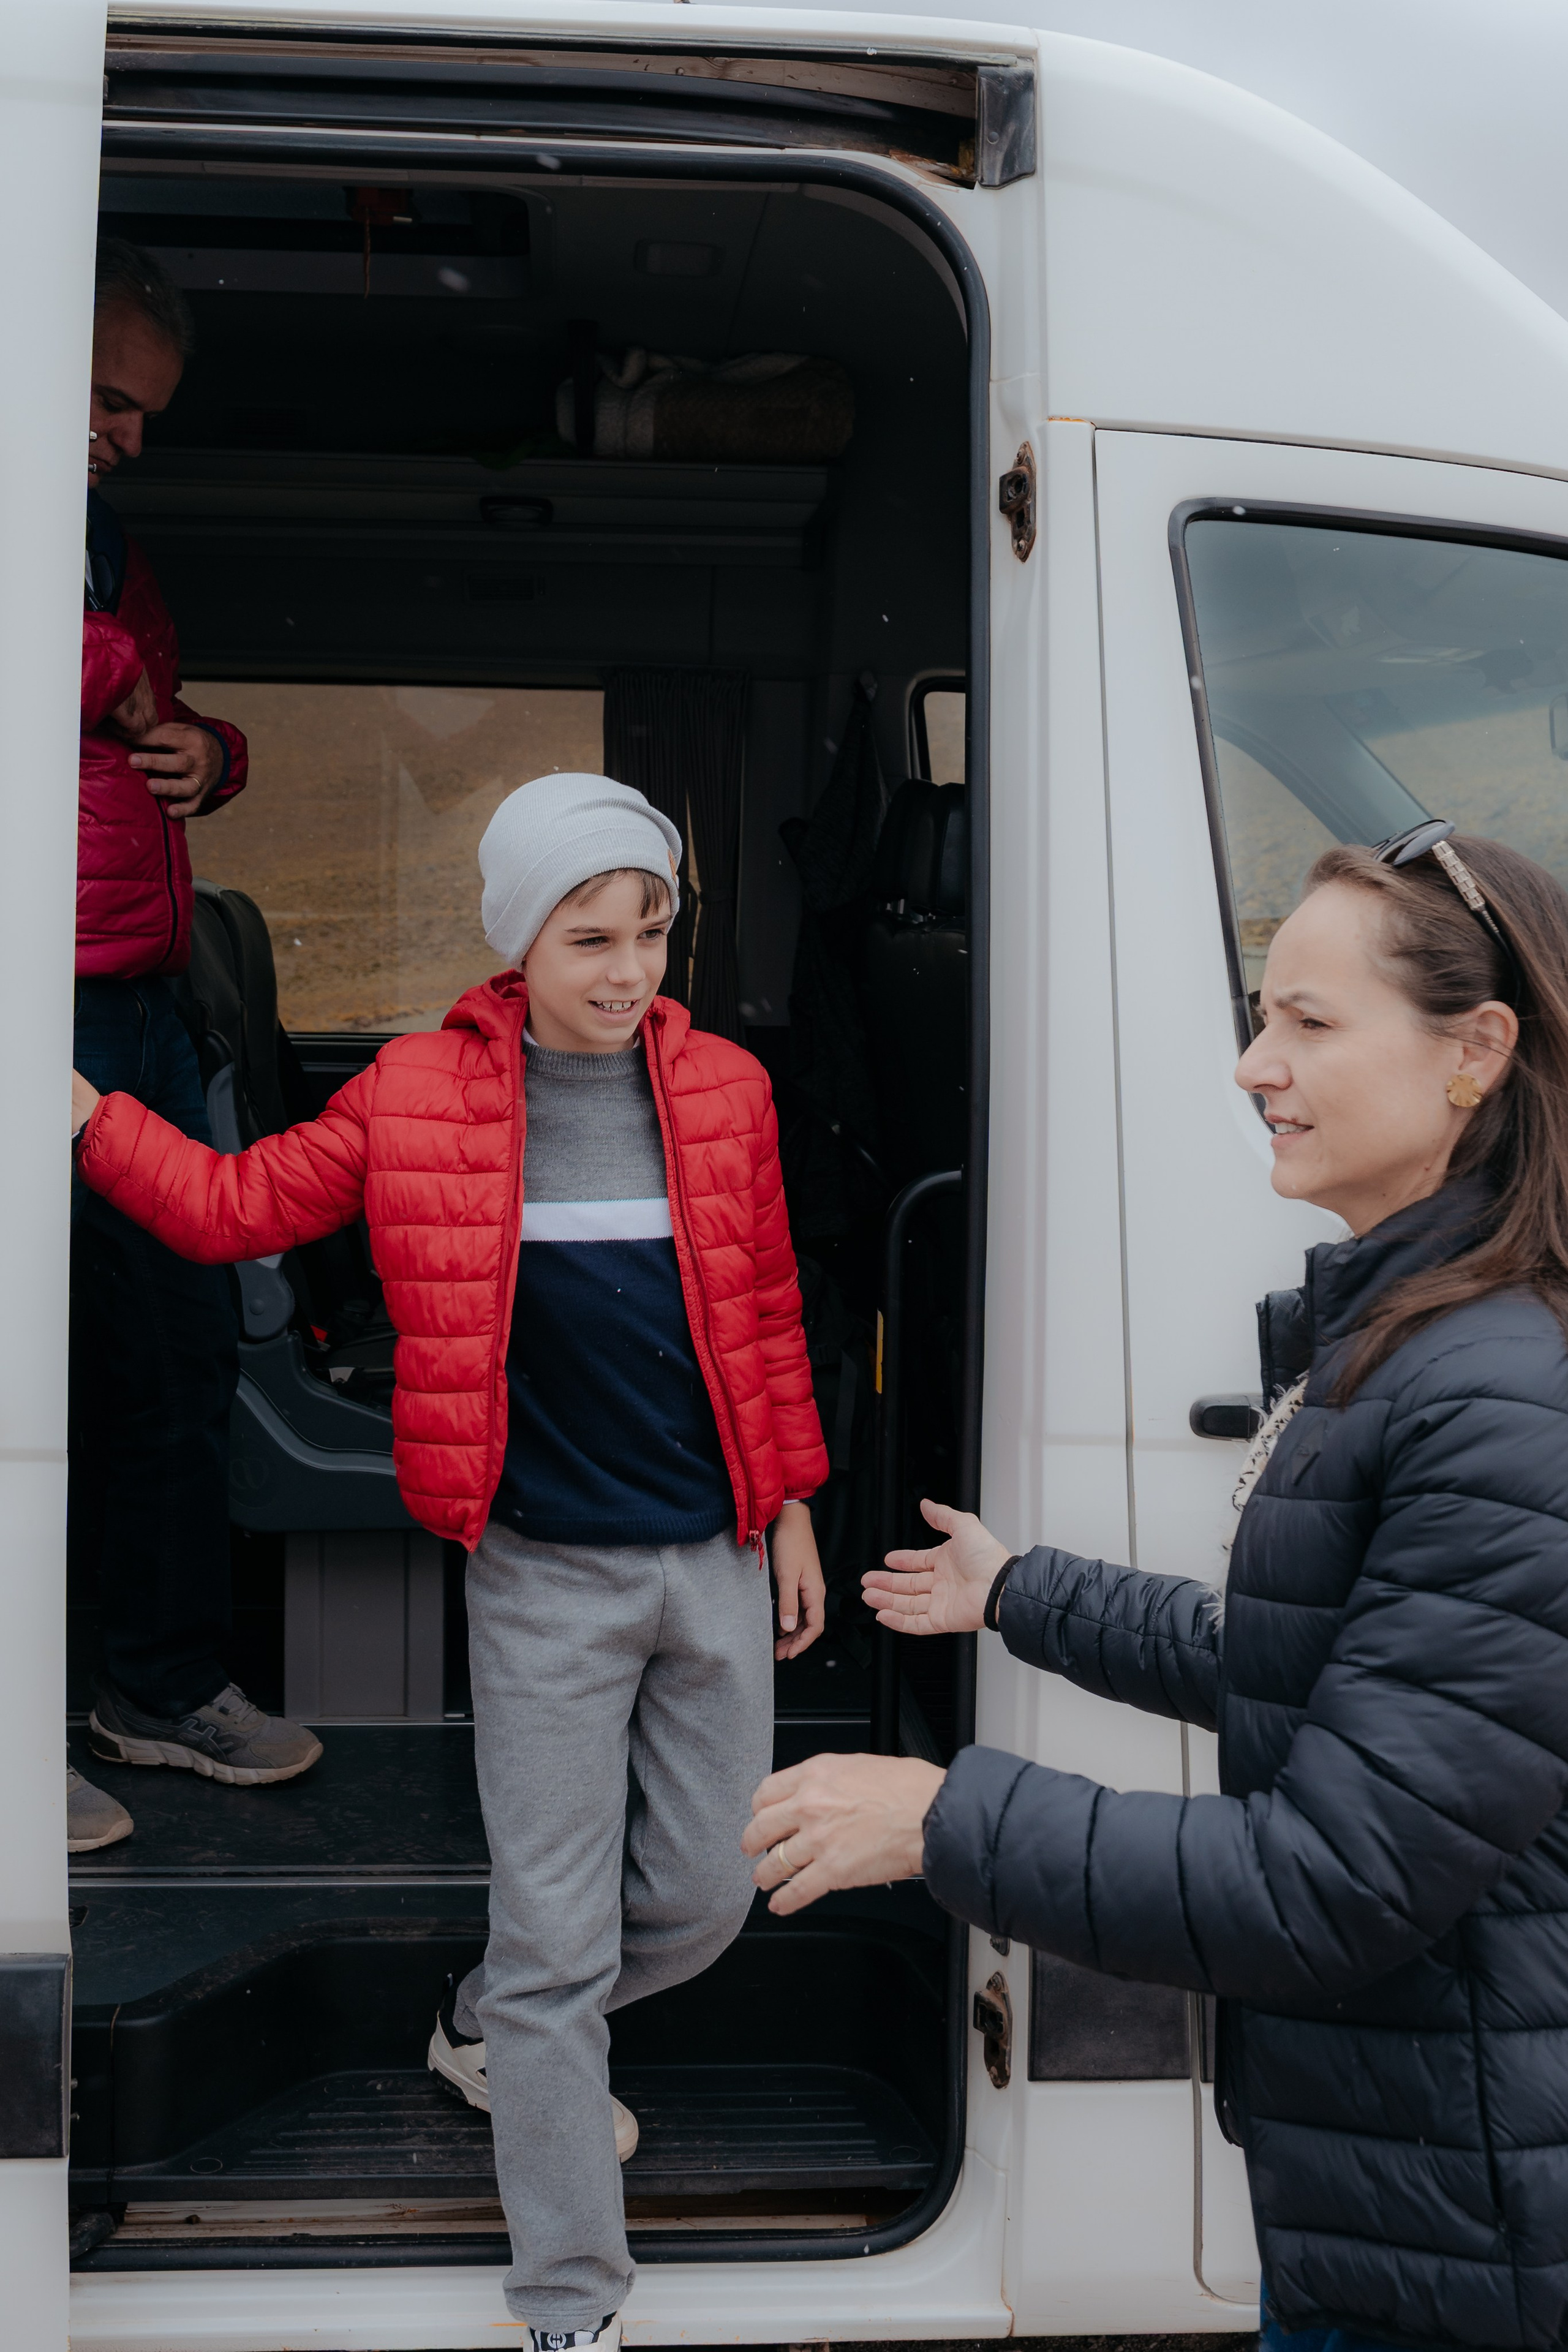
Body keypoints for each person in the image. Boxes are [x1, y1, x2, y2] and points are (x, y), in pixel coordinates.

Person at [745, 821, 1568, 2352]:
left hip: (1465, 2253)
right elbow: (1309, 1667)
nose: (1254, 1062)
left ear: (1475, 1052)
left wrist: (939, 1820)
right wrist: (1020, 1594)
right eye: (1262, 1014)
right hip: (1398, 2198)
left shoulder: (1495, 1396)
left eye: (1307, 1024)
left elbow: (1340, 1879)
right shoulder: (1410, 1342)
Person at [69, 771, 830, 2351]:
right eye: (588, 938)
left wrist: (797, 1503)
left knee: (700, 1900)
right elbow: (227, 1208)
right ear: (516, 943)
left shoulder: (727, 1094)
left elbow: (759, 1311)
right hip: (544, 1580)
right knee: (559, 1941)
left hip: (715, 1557)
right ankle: (569, 2299)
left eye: (652, 931)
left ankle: (484, 2030)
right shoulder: (417, 1095)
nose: (627, 971)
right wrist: (87, 1113)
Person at [68, 238, 322, 1858]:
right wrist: (125, 691)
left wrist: (196, 746)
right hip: (44, 1009)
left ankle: (155, 1688)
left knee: (174, 1353)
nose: (127, 437)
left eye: (146, 410)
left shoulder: (94, 533)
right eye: (102, 399)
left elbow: (157, 710)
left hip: (136, 1006)